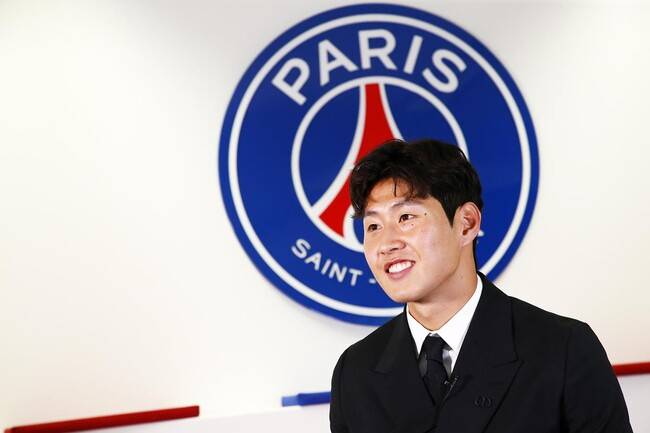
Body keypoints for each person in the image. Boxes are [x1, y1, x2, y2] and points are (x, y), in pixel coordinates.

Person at [329, 139, 632, 433]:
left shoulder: (563, 349)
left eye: (406, 217)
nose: (386, 244)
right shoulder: (354, 372)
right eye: (373, 226)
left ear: (467, 223)